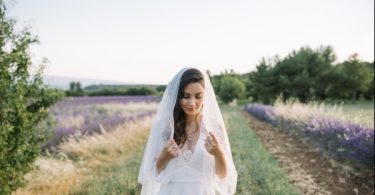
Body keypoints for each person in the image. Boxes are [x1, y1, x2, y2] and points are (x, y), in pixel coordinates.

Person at [138, 68, 237, 195]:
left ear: (205, 96)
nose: (192, 103)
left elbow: (222, 175)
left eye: (198, 97)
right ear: (177, 96)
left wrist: (218, 154)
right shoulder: (164, 127)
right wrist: (163, 157)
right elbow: (151, 175)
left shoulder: (214, 127)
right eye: (185, 96)